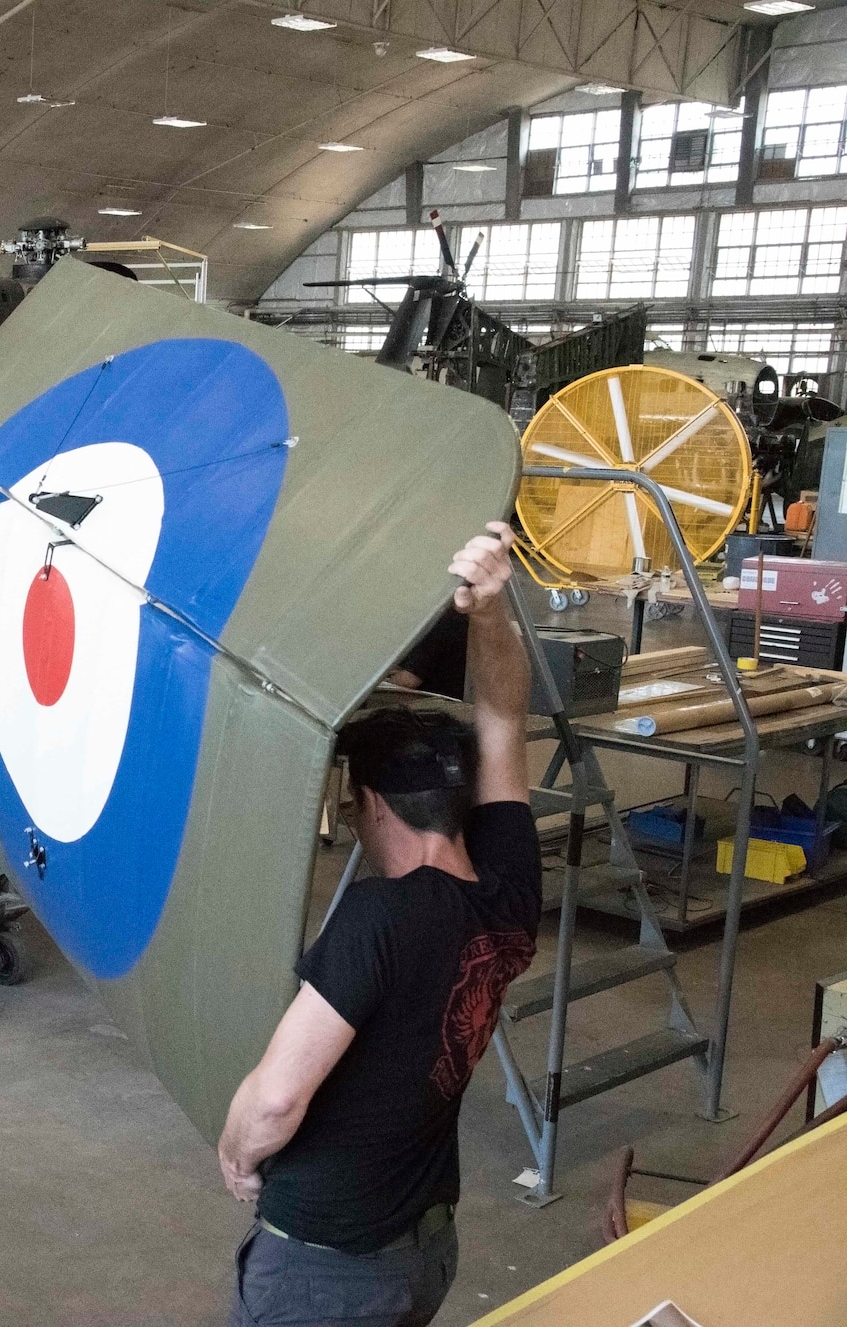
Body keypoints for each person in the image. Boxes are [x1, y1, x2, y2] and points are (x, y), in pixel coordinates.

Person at [218, 522, 539, 1327]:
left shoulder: (378, 917)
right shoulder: (508, 890)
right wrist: (490, 615)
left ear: (370, 806)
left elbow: (278, 1099)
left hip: (328, 1269)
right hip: (422, 1246)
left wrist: (236, 1149)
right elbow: (503, 714)